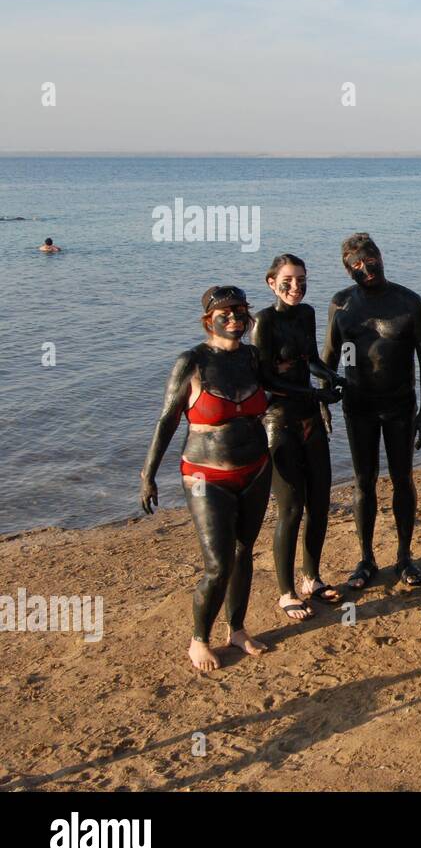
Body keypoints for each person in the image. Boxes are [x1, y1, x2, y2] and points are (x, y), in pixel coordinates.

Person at [139, 286, 271, 672]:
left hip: (257, 468)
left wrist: (319, 396)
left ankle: (237, 629)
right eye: (225, 312)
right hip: (204, 476)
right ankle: (199, 639)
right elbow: (166, 420)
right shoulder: (191, 362)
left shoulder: (252, 357)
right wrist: (148, 474)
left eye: (241, 311)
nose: (235, 318)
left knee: (245, 552)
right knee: (217, 564)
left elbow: (275, 393)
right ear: (207, 319)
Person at [323, 232, 421, 590]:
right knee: (363, 481)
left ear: (380, 255)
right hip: (358, 406)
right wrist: (322, 401)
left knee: (403, 479)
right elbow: (327, 358)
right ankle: (366, 558)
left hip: (400, 404)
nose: (365, 268)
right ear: (347, 271)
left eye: (369, 259)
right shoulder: (341, 304)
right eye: (355, 265)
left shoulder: (408, 302)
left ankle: (404, 556)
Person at [250, 255, 345, 622]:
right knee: (290, 508)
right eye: (288, 280)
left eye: (302, 279)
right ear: (271, 282)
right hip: (279, 423)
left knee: (320, 502)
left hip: (309, 420)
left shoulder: (305, 314)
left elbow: (310, 363)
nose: (296, 287)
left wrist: (333, 378)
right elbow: (266, 381)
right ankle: (286, 591)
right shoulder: (263, 322)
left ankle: (312, 578)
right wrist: (315, 396)